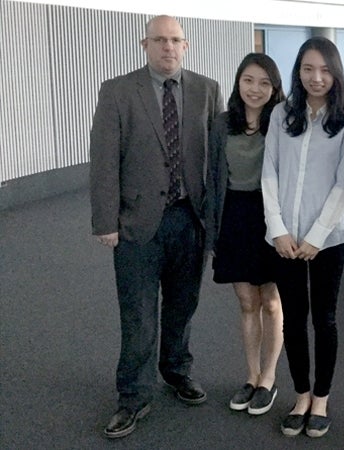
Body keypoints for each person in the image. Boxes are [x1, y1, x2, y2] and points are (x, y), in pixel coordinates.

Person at [89, 15, 223, 439]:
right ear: (144, 44)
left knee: (183, 305)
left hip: (191, 219)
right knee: (138, 314)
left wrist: (215, 225)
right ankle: (132, 395)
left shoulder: (207, 90)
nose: (168, 47)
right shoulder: (117, 92)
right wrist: (105, 222)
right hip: (136, 224)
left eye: (175, 40)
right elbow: (105, 162)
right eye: (160, 40)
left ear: (186, 46)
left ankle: (177, 370)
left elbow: (217, 163)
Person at [261, 36, 344, 438]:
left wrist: (318, 235)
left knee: (324, 319)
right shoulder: (282, 114)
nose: (316, 77)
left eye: (324, 69)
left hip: (328, 239)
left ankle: (321, 397)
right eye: (307, 69)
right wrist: (277, 228)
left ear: (335, 72)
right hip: (283, 238)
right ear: (298, 71)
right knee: (294, 320)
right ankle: (301, 393)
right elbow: (269, 171)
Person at [205, 53, 285, 415]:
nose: (256, 89)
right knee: (246, 302)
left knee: (271, 301)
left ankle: (269, 376)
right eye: (249, 80)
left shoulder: (283, 123)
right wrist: (212, 231)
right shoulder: (222, 124)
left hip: (270, 218)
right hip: (233, 217)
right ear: (238, 82)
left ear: (275, 88)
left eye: (265, 83)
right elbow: (212, 178)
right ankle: (251, 376)